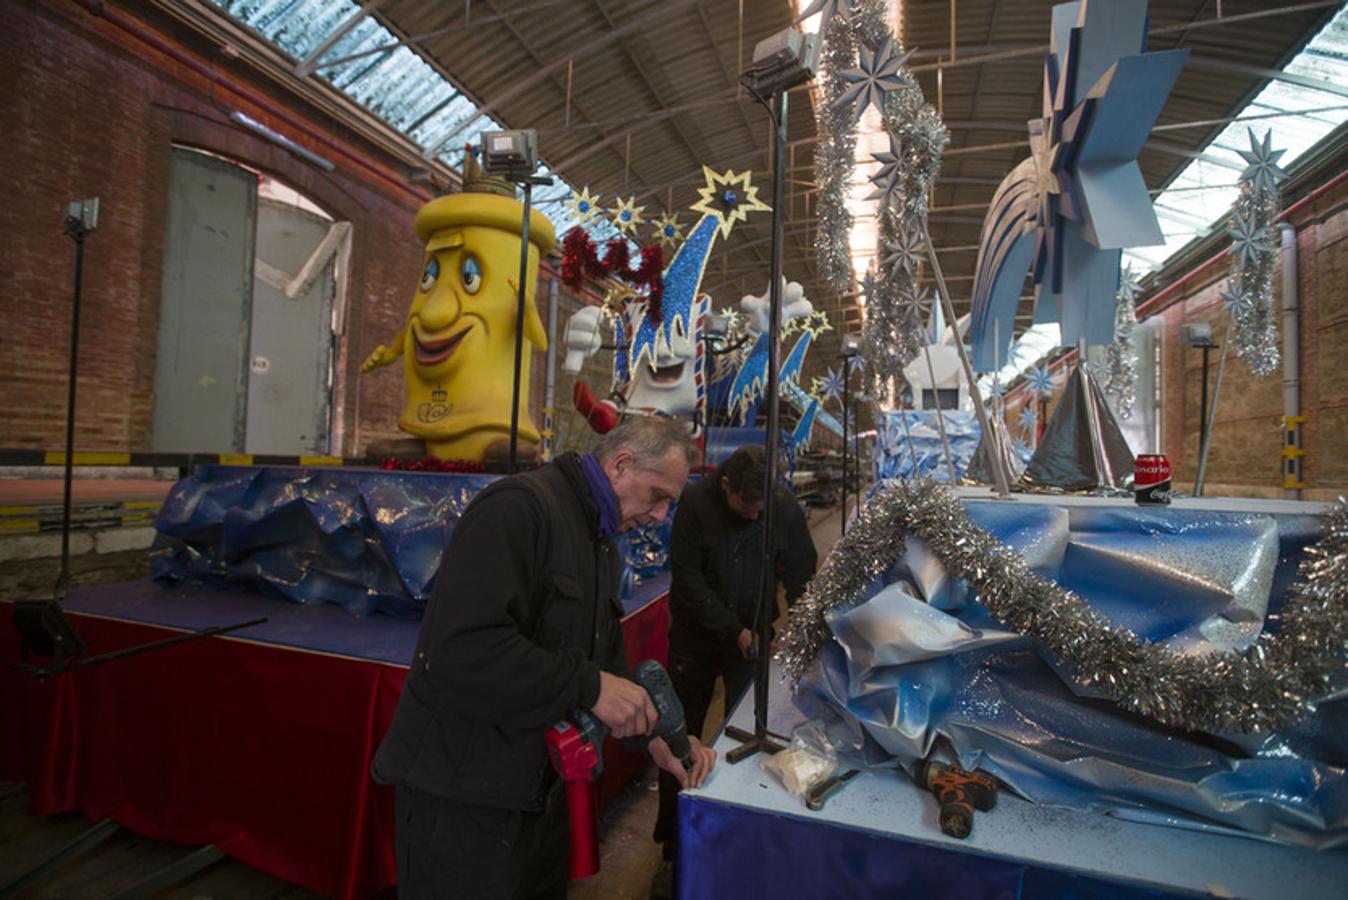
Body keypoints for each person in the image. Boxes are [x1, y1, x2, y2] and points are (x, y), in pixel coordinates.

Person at [373, 416, 716, 899]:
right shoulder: (518, 510)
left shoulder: (599, 540)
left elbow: (604, 663)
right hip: (464, 802)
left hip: (535, 797)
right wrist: (589, 687)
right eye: (659, 496)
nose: (661, 516)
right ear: (620, 465)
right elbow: (462, 651)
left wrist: (654, 734)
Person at [652, 444, 818, 858]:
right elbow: (688, 580)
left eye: (762, 506)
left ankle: (733, 838)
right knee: (681, 735)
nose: (755, 515)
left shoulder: (781, 507)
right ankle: (673, 841)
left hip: (754, 635)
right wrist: (733, 630)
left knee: (753, 730)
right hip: (696, 636)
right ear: (725, 484)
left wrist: (797, 628)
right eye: (747, 505)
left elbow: (801, 574)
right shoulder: (695, 503)